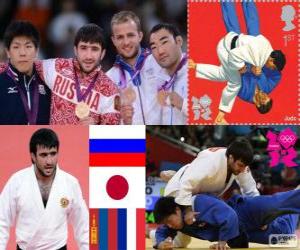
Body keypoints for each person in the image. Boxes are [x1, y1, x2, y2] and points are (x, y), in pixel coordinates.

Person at [189, 1, 286, 124]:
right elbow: (277, 74)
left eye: (263, 98)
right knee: (254, 29)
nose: (264, 94)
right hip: (254, 52)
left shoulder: (244, 94)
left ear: (257, 103)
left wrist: (197, 67)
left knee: (232, 29)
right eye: (267, 96)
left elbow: (228, 75)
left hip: (238, 54)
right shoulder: (267, 87)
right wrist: (262, 69)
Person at [0, 128, 88, 249]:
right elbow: (1, 219)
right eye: (43, 155)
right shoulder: (17, 181)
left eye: (53, 153)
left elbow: (84, 224)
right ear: (33, 156)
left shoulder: (70, 183)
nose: (49, 161)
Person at [153, 188, 300, 249]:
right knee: (285, 238)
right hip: (242, 232)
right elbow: (162, 232)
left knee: (278, 203)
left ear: (177, 209)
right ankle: (293, 212)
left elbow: (229, 215)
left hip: (245, 212)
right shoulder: (176, 224)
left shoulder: (197, 202)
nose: (169, 226)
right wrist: (160, 244)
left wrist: (222, 241)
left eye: (169, 221)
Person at [37, 23, 121, 125]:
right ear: (75, 50)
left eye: (94, 49)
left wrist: (96, 128)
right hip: (55, 140)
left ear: (102, 54)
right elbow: (23, 65)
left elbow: (114, 135)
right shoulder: (57, 67)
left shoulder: (110, 91)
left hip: (86, 141)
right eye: (83, 48)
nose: (88, 56)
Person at [106, 10, 162, 125]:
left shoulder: (161, 63)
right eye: (120, 37)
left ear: (140, 36)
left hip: (163, 137)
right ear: (114, 40)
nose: (126, 42)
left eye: (130, 35)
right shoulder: (108, 79)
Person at [0, 20, 51, 124]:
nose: (22, 53)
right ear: (8, 52)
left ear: (36, 51)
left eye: (28, 46)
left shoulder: (48, 84)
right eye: (16, 47)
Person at [149, 23, 187, 125]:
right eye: (154, 47)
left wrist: (182, 104)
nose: (160, 51)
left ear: (178, 41)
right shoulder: (156, 80)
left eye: (164, 42)